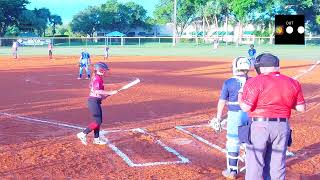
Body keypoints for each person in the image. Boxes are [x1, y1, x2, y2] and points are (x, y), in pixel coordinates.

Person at [238, 53, 306, 180]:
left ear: (261, 67)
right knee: (277, 165)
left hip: (259, 126)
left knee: (255, 165)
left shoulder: (254, 82)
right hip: (282, 126)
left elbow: (245, 107)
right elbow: (301, 108)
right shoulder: (293, 82)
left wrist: (240, 95)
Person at [210, 57, 251, 179]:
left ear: (235, 67)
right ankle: (252, 169)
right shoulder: (254, 81)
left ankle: (232, 171)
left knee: (233, 141)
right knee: (248, 141)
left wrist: (218, 118)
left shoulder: (229, 82)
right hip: (250, 114)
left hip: (234, 115)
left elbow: (222, 101)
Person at [77, 62, 118, 145]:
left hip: (95, 101)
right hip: (93, 102)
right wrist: (110, 92)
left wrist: (106, 96)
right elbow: (96, 91)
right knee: (97, 121)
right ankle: (83, 134)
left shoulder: (98, 77)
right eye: (105, 70)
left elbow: (99, 94)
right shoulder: (97, 78)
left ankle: (96, 139)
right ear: (101, 70)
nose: (106, 71)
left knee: (98, 121)